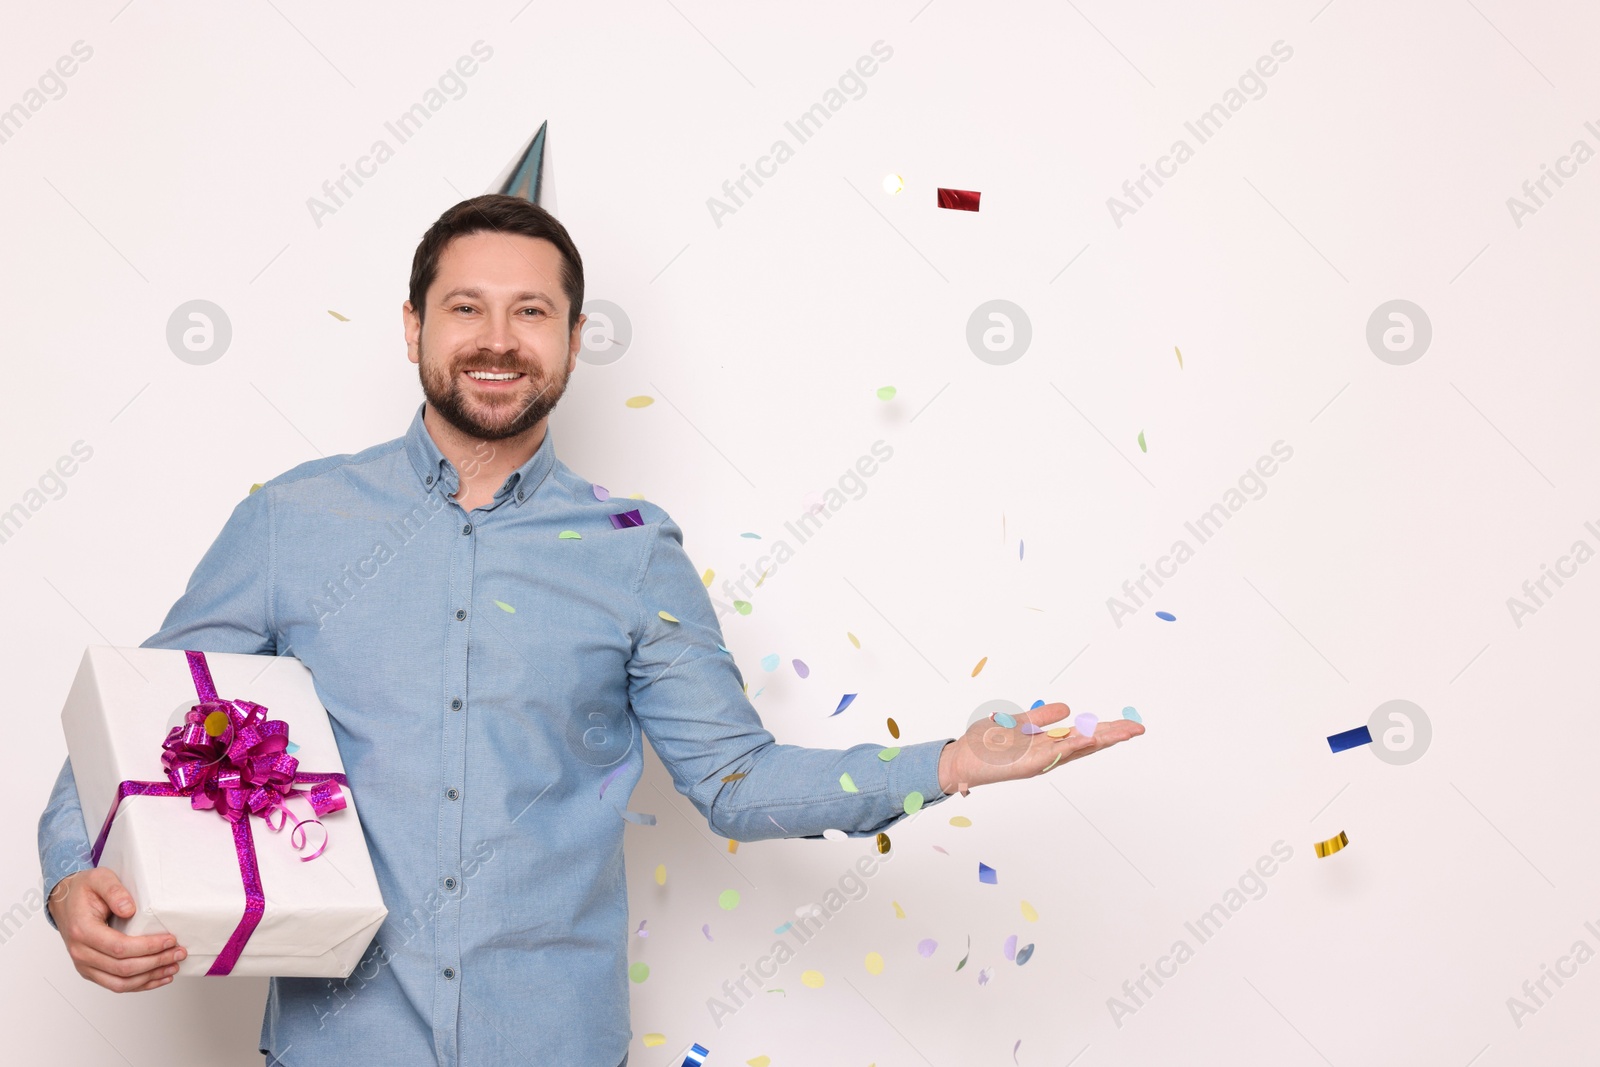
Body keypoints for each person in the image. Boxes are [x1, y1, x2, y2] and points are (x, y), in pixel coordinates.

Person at [37, 194, 1144, 1066]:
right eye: (466, 306)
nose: (498, 339)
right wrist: (65, 881)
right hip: (338, 1046)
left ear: (571, 338)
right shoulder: (292, 521)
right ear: (415, 325)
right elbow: (140, 725)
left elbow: (736, 779)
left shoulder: (632, 547)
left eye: (532, 311)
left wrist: (946, 761)